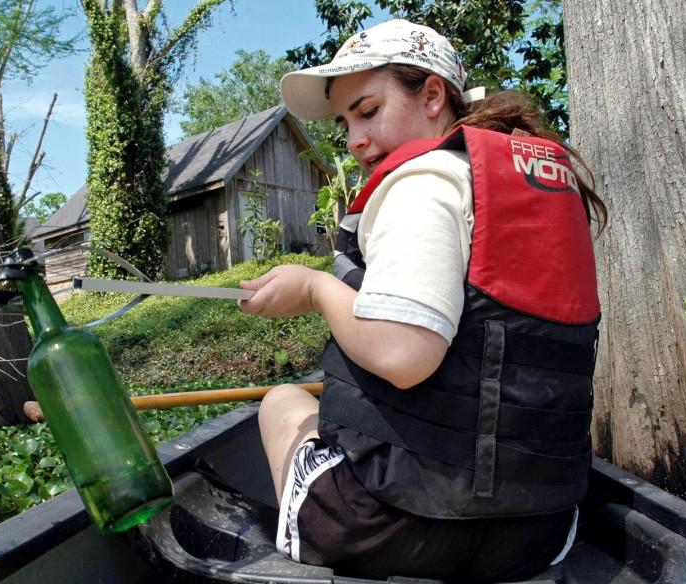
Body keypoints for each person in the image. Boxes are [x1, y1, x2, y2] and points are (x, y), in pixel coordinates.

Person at [238, 18, 607, 582]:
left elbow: (403, 355)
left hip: (394, 528)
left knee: (282, 401)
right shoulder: (517, 184)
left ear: (433, 95)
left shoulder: (423, 184)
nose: (355, 140)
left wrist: (315, 288)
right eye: (344, 122)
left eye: (367, 110)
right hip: (542, 533)